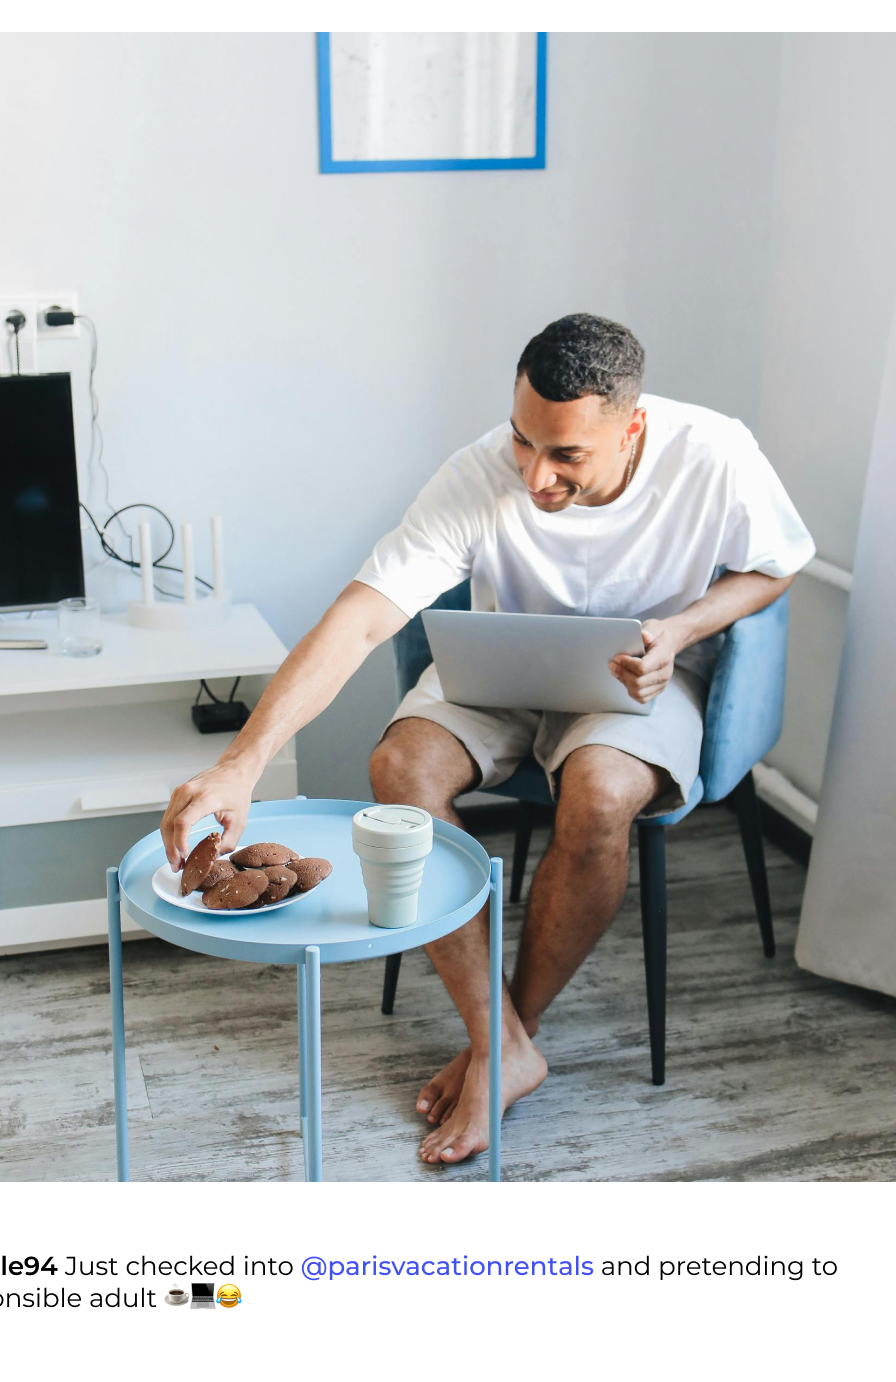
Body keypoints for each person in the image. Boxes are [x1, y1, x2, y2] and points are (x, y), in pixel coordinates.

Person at [160, 312, 815, 1166]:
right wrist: (240, 762)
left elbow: (781, 560)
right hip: (503, 669)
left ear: (634, 427)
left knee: (604, 790)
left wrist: (684, 630)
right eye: (522, 441)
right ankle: (499, 1040)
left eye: (567, 456)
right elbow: (360, 623)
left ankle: (509, 1040)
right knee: (399, 766)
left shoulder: (716, 453)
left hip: (637, 678)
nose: (535, 476)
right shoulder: (475, 475)